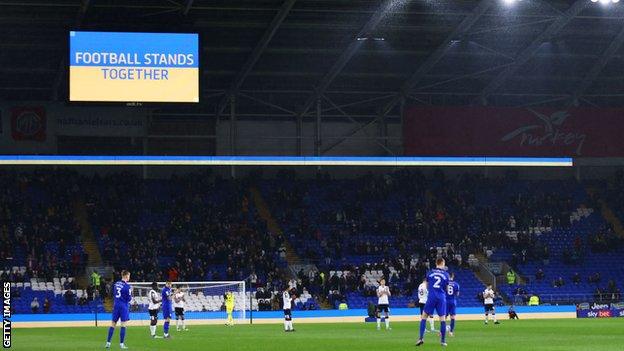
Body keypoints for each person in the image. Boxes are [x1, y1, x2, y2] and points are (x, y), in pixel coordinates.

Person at [416, 258, 450, 347]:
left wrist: (432, 291)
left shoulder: (430, 273)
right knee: (442, 319)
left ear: (436, 263)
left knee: (424, 317)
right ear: (442, 263)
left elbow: (426, 286)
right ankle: (443, 341)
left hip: (431, 296)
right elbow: (446, 288)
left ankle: (421, 338)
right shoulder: (446, 274)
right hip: (441, 298)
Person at [105, 270, 132, 349]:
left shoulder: (116, 284)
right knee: (123, 325)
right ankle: (121, 344)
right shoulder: (127, 286)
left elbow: (113, 294)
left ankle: (108, 343)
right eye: (129, 276)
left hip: (116, 305)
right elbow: (129, 299)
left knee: (113, 324)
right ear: (126, 276)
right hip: (123, 306)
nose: (129, 278)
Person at [446, 272, 460, 337]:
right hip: (453, 301)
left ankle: (441, 332)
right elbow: (457, 294)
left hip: (445, 302)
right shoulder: (456, 284)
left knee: (443, 317)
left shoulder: (445, 283)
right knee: (453, 317)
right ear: (453, 276)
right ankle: (451, 332)